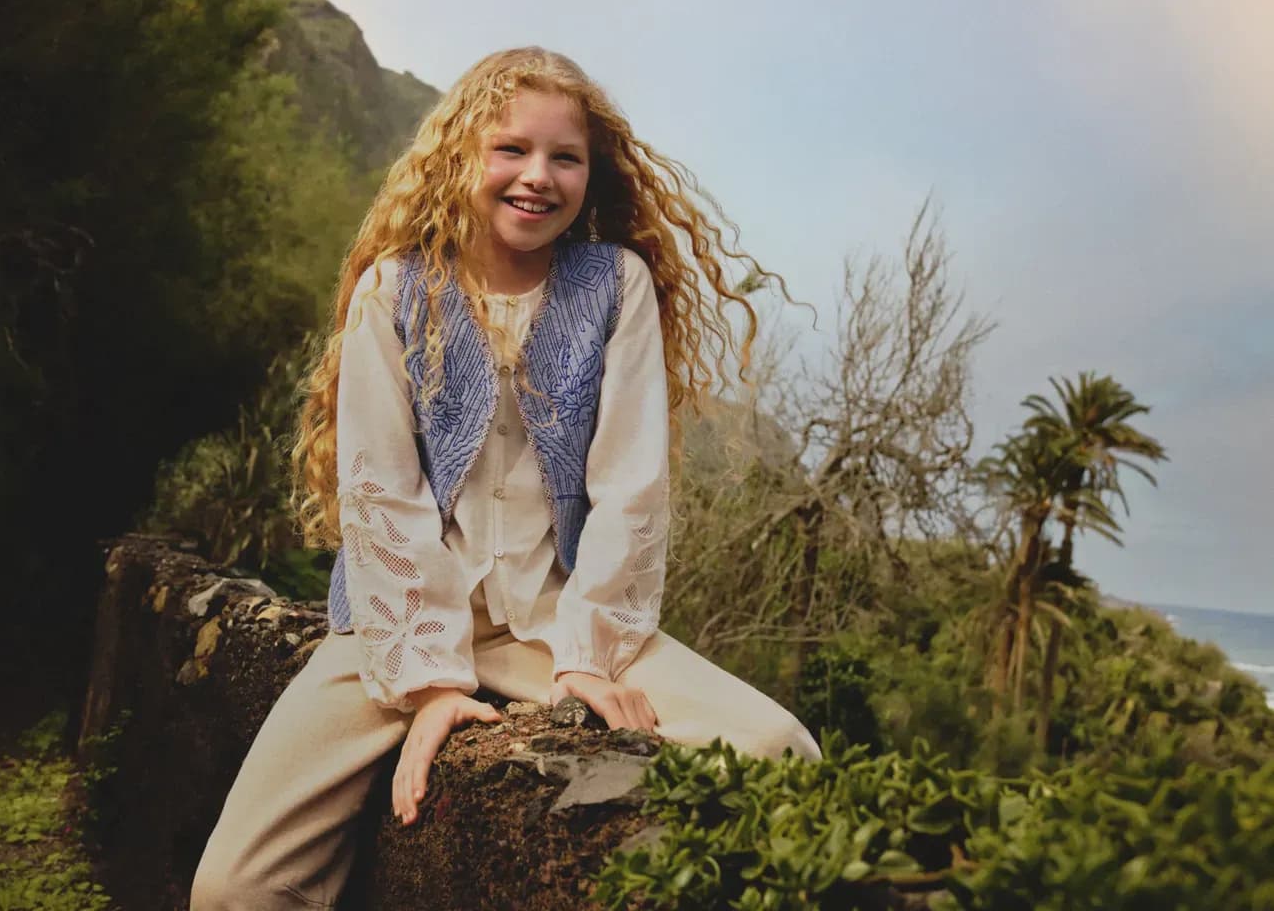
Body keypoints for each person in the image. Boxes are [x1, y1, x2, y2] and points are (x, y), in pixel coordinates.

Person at [190, 46, 821, 911]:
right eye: (511, 150)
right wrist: (435, 683)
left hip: (558, 625)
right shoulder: (395, 289)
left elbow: (631, 489)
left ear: (591, 175)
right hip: (393, 628)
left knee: (781, 751)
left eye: (565, 157)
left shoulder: (615, 286)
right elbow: (381, 495)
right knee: (235, 887)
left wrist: (587, 659)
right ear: (462, 157)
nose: (538, 177)